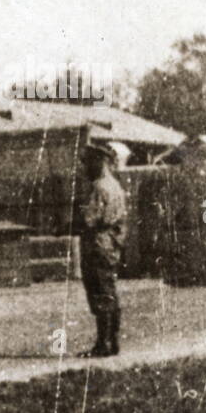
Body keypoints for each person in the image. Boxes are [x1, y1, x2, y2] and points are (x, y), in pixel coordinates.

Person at [78, 142, 127, 357]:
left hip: (97, 244)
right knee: (109, 292)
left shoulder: (99, 188)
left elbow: (89, 219)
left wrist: (64, 226)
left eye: (88, 163)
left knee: (99, 293)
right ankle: (112, 342)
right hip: (111, 244)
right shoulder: (115, 185)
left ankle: (103, 344)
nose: (85, 168)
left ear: (101, 162)